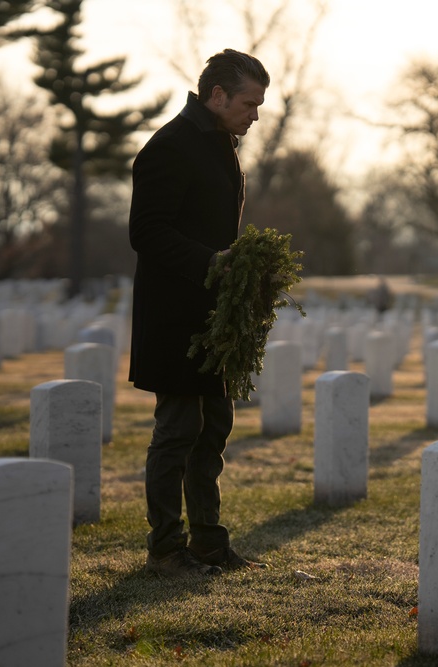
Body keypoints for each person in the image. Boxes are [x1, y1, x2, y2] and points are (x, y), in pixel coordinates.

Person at [128, 49, 271, 577]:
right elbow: (146, 232)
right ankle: (166, 549)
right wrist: (213, 263)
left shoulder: (218, 144)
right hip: (173, 316)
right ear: (217, 96)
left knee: (215, 428)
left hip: (212, 318)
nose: (254, 114)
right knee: (178, 429)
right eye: (248, 103)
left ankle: (210, 543)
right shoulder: (170, 146)